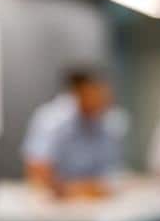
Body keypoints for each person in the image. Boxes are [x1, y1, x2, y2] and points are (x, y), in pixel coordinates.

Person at [21, 68, 127, 199]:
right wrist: (74, 190)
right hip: (57, 202)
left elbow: (112, 172)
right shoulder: (52, 119)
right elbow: (37, 171)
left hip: (95, 201)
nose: (104, 100)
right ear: (79, 93)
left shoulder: (106, 122)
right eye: (96, 93)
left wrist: (98, 187)